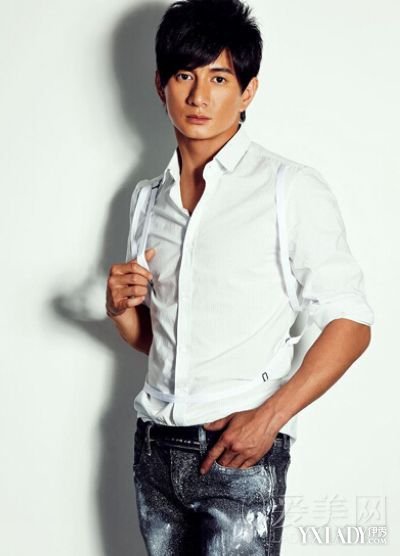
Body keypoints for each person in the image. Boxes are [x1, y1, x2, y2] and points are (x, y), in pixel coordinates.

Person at [105, 0, 374, 554]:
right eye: (185, 76)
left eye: (219, 78)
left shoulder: (288, 188)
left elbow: (351, 323)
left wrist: (269, 419)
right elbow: (167, 344)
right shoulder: (146, 200)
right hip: (154, 448)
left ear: (247, 91)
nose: (199, 97)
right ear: (160, 84)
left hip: (239, 454)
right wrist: (121, 311)